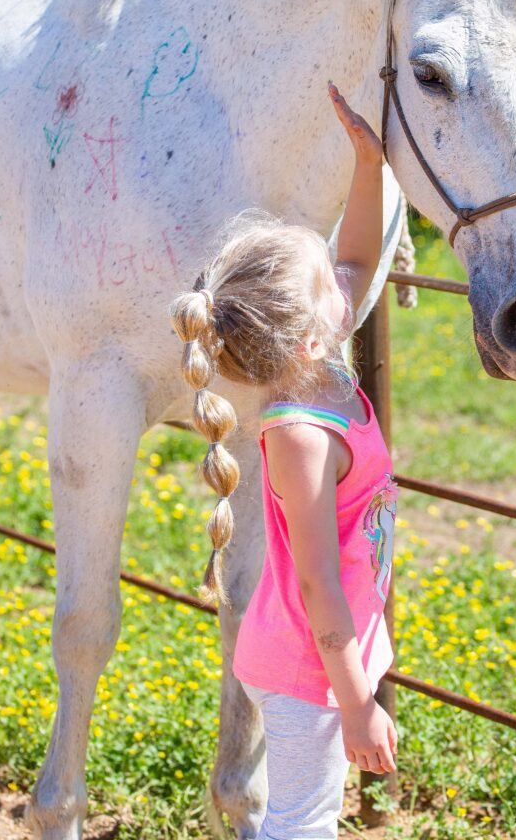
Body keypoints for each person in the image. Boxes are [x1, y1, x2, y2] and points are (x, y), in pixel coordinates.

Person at [168, 82, 399, 839]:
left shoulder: (318, 363)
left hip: (318, 656)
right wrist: (358, 699)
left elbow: (360, 256)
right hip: (308, 665)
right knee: (300, 822)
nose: (345, 282)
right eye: (328, 283)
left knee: (310, 813)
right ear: (310, 337)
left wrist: (369, 166)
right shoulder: (300, 433)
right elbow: (316, 581)